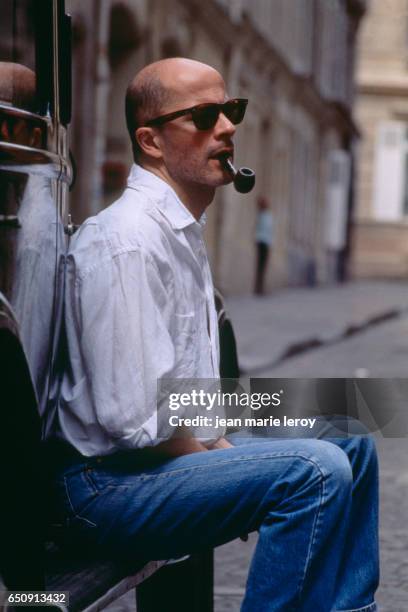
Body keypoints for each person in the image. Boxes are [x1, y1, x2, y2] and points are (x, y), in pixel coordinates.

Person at [48, 58, 379, 611]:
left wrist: (224, 450)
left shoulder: (178, 231)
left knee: (351, 437)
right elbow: (134, 419)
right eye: (204, 116)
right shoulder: (127, 243)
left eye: (231, 110)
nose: (227, 127)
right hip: (106, 487)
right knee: (313, 469)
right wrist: (228, 459)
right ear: (150, 142)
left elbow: (186, 397)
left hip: (158, 462)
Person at [254, 195, 273, 295]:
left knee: (262, 266)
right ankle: (259, 288)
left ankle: (260, 287)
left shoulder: (265, 215)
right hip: (263, 242)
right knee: (261, 266)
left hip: (264, 242)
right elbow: (265, 231)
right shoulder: (263, 216)